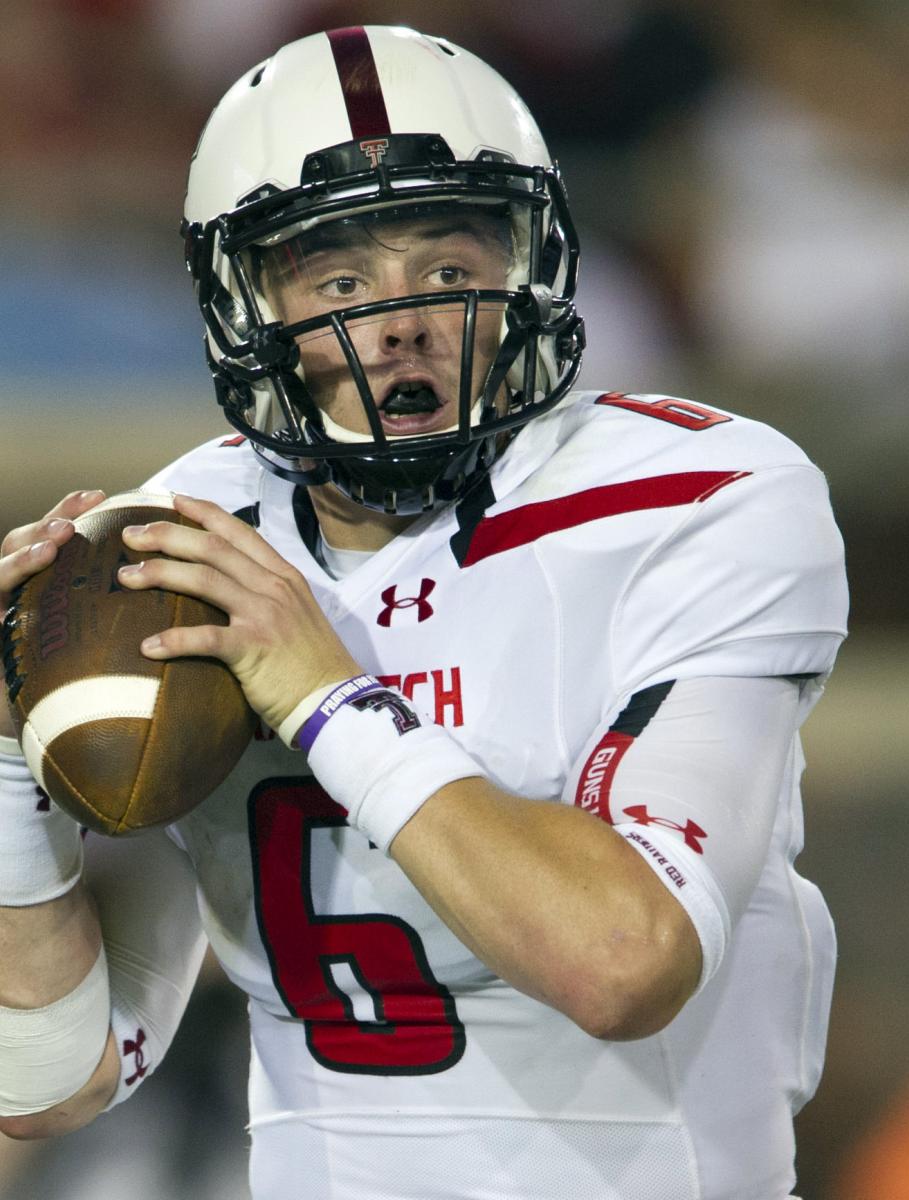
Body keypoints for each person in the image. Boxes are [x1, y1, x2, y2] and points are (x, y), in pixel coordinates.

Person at [0, 25, 847, 1200]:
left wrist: (328, 700)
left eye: (446, 271)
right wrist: (6, 771)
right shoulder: (187, 533)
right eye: (339, 280)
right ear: (244, 306)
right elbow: (47, 1081)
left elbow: (626, 960)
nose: (396, 321)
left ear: (531, 267)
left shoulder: (698, 495)